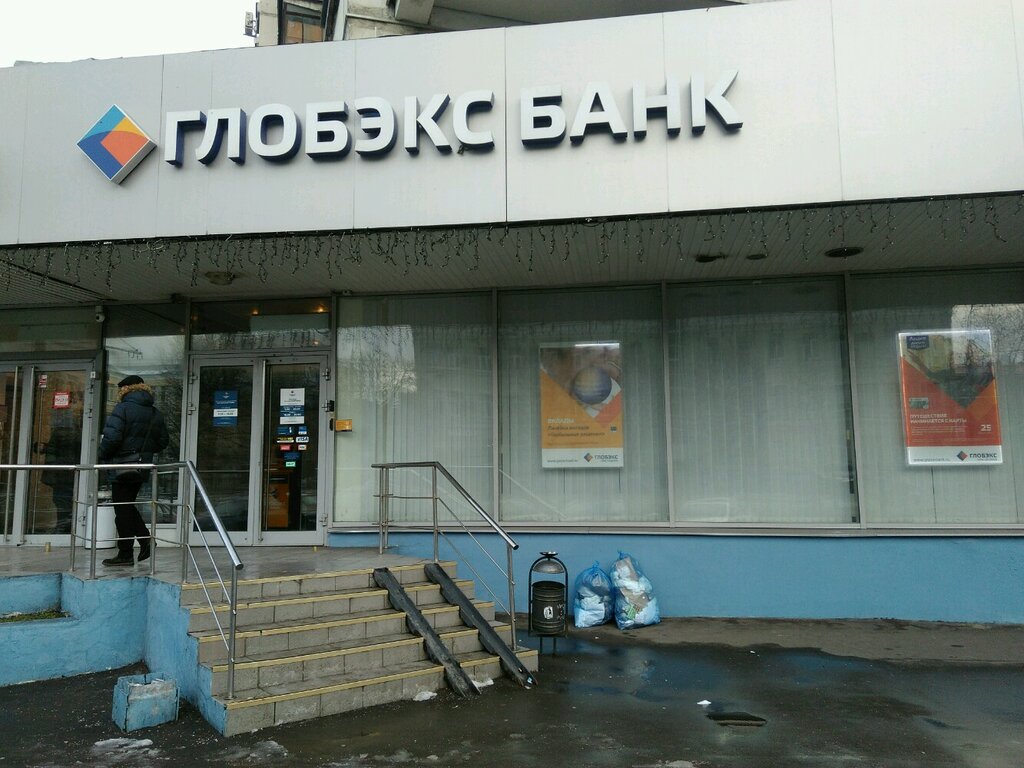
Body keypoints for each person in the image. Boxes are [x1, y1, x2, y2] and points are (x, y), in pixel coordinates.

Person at [97, 375, 169, 566]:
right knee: (125, 508)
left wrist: (102, 455)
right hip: (141, 466)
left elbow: (112, 438)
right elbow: (163, 441)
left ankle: (141, 543)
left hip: (121, 465)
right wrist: (143, 452)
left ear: (126, 389)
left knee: (123, 508)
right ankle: (127, 552)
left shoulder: (123, 408)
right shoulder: (154, 412)